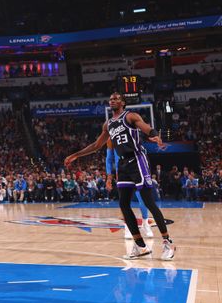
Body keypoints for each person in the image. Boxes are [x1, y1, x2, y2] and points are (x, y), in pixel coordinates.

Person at [65, 93, 175, 260]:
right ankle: (141, 246)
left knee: (148, 202)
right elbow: (96, 145)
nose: (112, 101)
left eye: (116, 99)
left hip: (137, 159)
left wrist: (155, 135)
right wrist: (76, 155)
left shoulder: (130, 116)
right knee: (124, 204)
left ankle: (168, 242)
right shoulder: (108, 124)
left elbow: (145, 127)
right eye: (110, 99)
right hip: (122, 164)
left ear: (123, 102)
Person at [106, 140, 153, 238]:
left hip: (137, 170)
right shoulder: (111, 138)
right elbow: (109, 159)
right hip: (122, 173)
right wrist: (109, 177)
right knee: (125, 203)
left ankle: (145, 223)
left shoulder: (132, 133)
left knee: (143, 199)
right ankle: (127, 226)